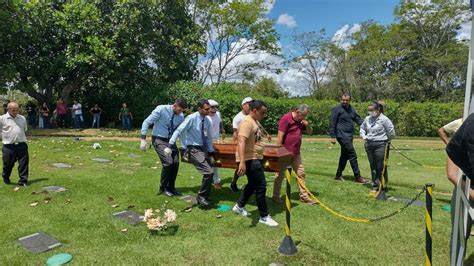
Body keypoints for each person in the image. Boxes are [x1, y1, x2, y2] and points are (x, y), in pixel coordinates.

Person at [232, 100, 278, 227]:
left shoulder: (254, 121)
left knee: (252, 184)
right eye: (262, 113)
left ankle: (239, 206)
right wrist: (242, 162)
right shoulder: (247, 122)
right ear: (254, 111)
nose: (264, 115)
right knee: (261, 186)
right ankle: (264, 216)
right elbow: (241, 141)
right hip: (249, 158)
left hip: (254, 157)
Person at [168, 99, 215, 206]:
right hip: (193, 148)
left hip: (203, 148)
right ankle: (201, 197)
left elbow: (208, 138)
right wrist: (171, 145)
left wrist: (211, 152)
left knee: (209, 172)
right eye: (206, 109)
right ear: (199, 109)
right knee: (209, 172)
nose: (209, 111)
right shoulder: (192, 118)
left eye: (209, 108)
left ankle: (205, 196)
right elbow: (179, 131)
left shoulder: (207, 121)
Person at [140, 99, 187, 196]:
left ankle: (171, 187)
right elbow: (146, 122)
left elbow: (180, 132)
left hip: (170, 141)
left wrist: (183, 146)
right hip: (159, 139)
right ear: (174, 105)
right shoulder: (161, 109)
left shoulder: (181, 116)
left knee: (176, 163)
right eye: (179, 110)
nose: (181, 112)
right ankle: (163, 187)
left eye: (182, 111)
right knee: (168, 163)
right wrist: (143, 139)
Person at [273, 104, 317, 204]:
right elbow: (280, 137)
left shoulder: (301, 121)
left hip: (296, 153)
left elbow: (310, 132)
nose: (304, 118)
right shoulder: (286, 119)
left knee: (301, 173)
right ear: (297, 112)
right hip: (284, 153)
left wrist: (307, 124)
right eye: (303, 116)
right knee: (279, 175)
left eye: (305, 116)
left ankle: (304, 196)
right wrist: (279, 153)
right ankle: (275, 196)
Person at [446, 113, 474, 261]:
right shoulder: (468, 125)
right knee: (459, 235)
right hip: (465, 190)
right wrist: (469, 192)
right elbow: (452, 173)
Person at [330, 94, 367, 183]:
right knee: (352, 155)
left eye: (346, 100)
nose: (345, 102)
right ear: (341, 100)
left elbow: (358, 120)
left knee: (344, 156)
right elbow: (332, 123)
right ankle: (358, 177)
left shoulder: (351, 109)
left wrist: (369, 125)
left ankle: (338, 175)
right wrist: (332, 136)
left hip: (349, 136)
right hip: (341, 135)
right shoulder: (337, 109)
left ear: (350, 100)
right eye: (343, 100)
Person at [360, 102, 395, 193]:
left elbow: (391, 132)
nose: (370, 112)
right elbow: (362, 128)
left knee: (381, 166)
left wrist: (386, 140)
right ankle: (376, 185)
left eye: (372, 110)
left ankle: (383, 186)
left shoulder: (385, 119)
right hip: (369, 144)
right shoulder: (367, 119)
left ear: (378, 110)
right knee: (373, 166)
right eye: (369, 110)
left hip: (381, 144)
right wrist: (364, 136)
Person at [1, 102, 29, 187]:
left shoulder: (22, 118)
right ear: (8, 109)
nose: (15, 112)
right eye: (13, 110)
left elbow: (24, 129)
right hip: (9, 146)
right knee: (8, 164)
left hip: (22, 144)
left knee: (24, 163)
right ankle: (6, 176)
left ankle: (23, 180)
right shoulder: (2, 119)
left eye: (17, 110)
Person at [230, 97, 253, 192]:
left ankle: (250, 185)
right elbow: (235, 134)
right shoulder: (238, 118)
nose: (250, 106)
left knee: (250, 167)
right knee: (240, 167)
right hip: (241, 145)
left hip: (251, 145)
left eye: (251, 104)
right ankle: (233, 183)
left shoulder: (252, 116)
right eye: (248, 104)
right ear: (243, 105)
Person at [207, 99, 225, 189]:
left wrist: (222, 131)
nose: (214, 110)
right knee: (208, 161)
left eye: (215, 108)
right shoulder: (205, 117)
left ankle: (216, 181)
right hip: (207, 142)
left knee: (214, 161)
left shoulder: (218, 114)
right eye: (212, 108)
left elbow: (220, 122)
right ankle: (209, 179)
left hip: (216, 141)